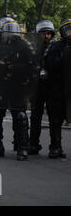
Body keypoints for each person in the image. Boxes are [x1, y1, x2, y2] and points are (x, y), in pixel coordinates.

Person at [0, 19, 37, 160]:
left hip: (17, 85)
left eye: (12, 29)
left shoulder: (24, 45)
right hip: (0, 85)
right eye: (7, 29)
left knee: (20, 116)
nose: (10, 32)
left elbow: (32, 65)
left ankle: (22, 148)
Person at [43, 19, 71, 159]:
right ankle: (55, 147)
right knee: (55, 120)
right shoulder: (56, 46)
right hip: (57, 89)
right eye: (68, 29)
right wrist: (64, 56)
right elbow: (50, 64)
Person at [28, 20, 55, 155]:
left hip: (51, 87)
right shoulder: (32, 49)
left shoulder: (55, 48)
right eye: (44, 33)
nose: (46, 36)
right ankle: (33, 144)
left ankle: (55, 146)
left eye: (49, 33)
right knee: (35, 117)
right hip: (37, 87)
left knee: (54, 118)